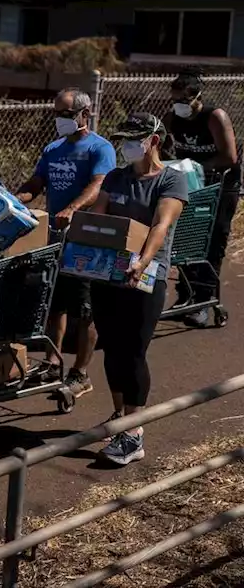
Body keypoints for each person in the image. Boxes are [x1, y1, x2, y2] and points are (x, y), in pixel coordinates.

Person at [88, 113, 188, 466]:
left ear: (153, 141)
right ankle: (120, 416)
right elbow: (98, 217)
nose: (127, 146)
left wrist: (142, 261)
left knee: (133, 350)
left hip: (145, 276)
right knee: (111, 347)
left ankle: (135, 432)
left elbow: (161, 224)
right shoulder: (116, 177)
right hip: (107, 273)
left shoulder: (171, 181)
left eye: (135, 140)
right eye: (124, 139)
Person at [14, 88, 116, 398]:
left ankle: (81, 373)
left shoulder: (100, 149)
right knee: (53, 303)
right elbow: (36, 183)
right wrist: (14, 199)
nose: (60, 120)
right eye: (57, 114)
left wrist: (72, 209)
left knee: (83, 308)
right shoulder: (53, 149)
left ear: (85, 115)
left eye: (67, 115)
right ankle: (51, 361)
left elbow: (99, 185)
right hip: (55, 237)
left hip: (85, 238)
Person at [166, 69, 240, 328]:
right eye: (175, 101)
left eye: (184, 101)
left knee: (212, 240)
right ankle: (186, 296)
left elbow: (229, 157)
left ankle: (205, 298)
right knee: (186, 238)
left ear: (197, 97)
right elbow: (164, 147)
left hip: (219, 185)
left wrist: (196, 166)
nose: (179, 106)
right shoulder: (172, 118)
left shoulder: (214, 117)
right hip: (191, 185)